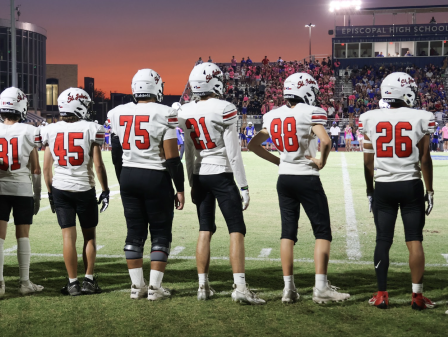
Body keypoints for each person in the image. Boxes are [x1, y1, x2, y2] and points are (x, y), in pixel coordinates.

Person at [248, 73, 350, 304]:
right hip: (306, 177)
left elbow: (254, 144)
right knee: (322, 232)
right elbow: (325, 141)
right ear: (308, 91)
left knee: (288, 232)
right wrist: (321, 161)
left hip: (284, 178)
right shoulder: (310, 112)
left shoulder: (273, 114)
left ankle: (288, 289)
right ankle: (321, 288)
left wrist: (279, 161)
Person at [178, 63, 263, 305]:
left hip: (201, 175)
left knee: (205, 228)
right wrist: (244, 187)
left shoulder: (186, 110)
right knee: (236, 229)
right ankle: (240, 288)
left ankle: (202, 287)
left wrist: (192, 181)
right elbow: (234, 153)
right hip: (221, 173)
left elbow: (190, 151)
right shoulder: (225, 108)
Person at [359, 72, 436, 311]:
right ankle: (417, 296)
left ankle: (382, 294)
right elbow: (425, 159)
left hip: (383, 186)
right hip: (411, 185)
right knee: (415, 240)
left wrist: (370, 190)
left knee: (383, 240)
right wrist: (430, 189)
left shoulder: (369, 117)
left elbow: (368, 162)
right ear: (406, 92)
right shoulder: (422, 117)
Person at [107, 69, 184, 301]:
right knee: (160, 233)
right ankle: (154, 288)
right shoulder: (165, 112)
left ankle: (136, 287)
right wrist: (179, 187)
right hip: (156, 177)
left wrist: (123, 180)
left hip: (129, 176)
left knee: (134, 233)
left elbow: (116, 153)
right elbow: (171, 157)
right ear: (157, 88)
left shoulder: (117, 112)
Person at [42, 88, 109, 296]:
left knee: (68, 237)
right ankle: (88, 281)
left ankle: (72, 283)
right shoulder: (91, 128)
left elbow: (46, 168)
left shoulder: (49, 130)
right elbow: (98, 165)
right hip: (84, 188)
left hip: (60, 188)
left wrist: (50, 192)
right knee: (89, 236)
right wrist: (105, 190)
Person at [0, 87, 43, 296]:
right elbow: (35, 168)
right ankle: (24, 282)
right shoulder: (29, 131)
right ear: (21, 107)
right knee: (23, 236)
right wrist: (37, 195)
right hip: (22, 189)